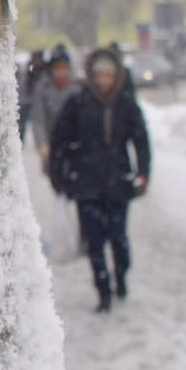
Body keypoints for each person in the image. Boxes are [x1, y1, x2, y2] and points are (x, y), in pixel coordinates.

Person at [48, 48, 151, 314]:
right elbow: (59, 140)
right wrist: (59, 176)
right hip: (87, 185)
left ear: (116, 76)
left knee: (119, 238)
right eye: (99, 74)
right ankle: (103, 291)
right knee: (94, 243)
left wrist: (143, 173)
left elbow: (141, 141)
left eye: (109, 74)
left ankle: (121, 276)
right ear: (92, 76)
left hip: (118, 183)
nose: (104, 79)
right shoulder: (78, 103)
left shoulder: (126, 104)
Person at [31, 51, 78, 171]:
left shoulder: (78, 88)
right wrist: (42, 144)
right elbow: (38, 119)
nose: (62, 72)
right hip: (51, 143)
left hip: (75, 146)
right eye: (58, 68)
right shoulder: (42, 88)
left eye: (65, 68)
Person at [17, 50, 47, 140]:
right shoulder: (28, 70)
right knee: (22, 125)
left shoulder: (44, 72)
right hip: (26, 102)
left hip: (37, 103)